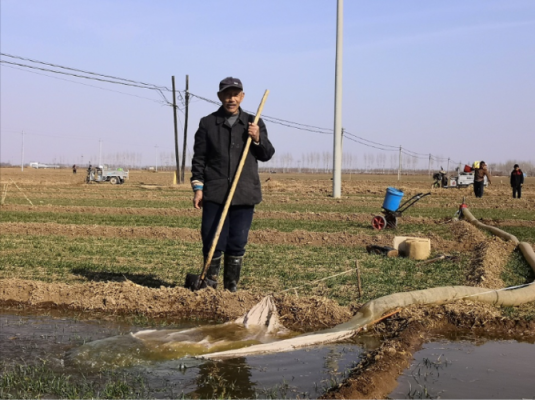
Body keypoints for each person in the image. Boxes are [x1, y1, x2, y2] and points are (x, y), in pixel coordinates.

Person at [190, 77, 275, 292]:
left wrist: (257, 138)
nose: (232, 98)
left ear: (242, 97)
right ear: (220, 97)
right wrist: (198, 189)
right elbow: (199, 159)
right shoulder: (207, 123)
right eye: (227, 94)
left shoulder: (253, 123)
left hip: (244, 192)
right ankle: (209, 286)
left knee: (237, 242)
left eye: (236, 94)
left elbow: (267, 154)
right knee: (212, 240)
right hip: (215, 193)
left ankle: (231, 289)